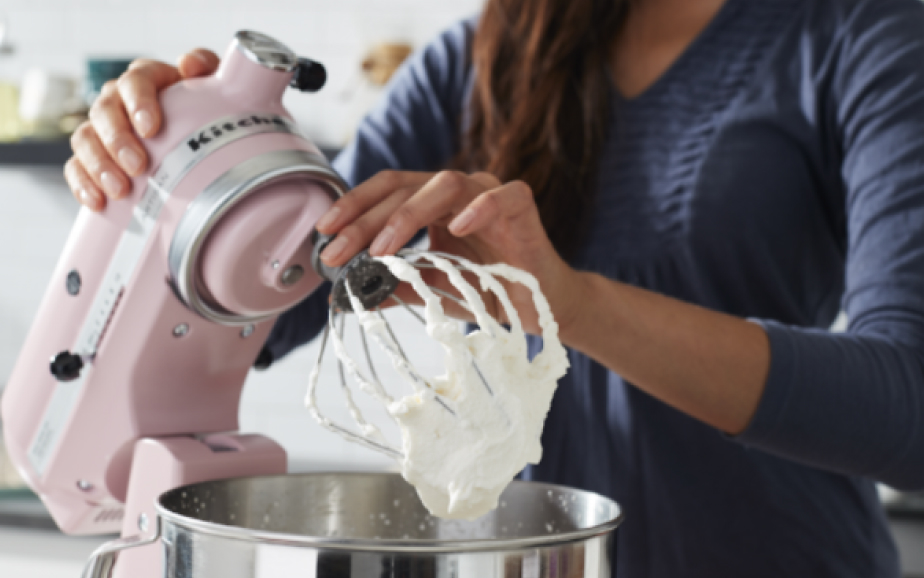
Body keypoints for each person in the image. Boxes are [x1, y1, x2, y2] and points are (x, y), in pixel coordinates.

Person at [64, 0, 924, 575]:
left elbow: (908, 411)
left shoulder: (866, 36)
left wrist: (568, 303)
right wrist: (170, 168)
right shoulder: (482, 58)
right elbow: (279, 296)